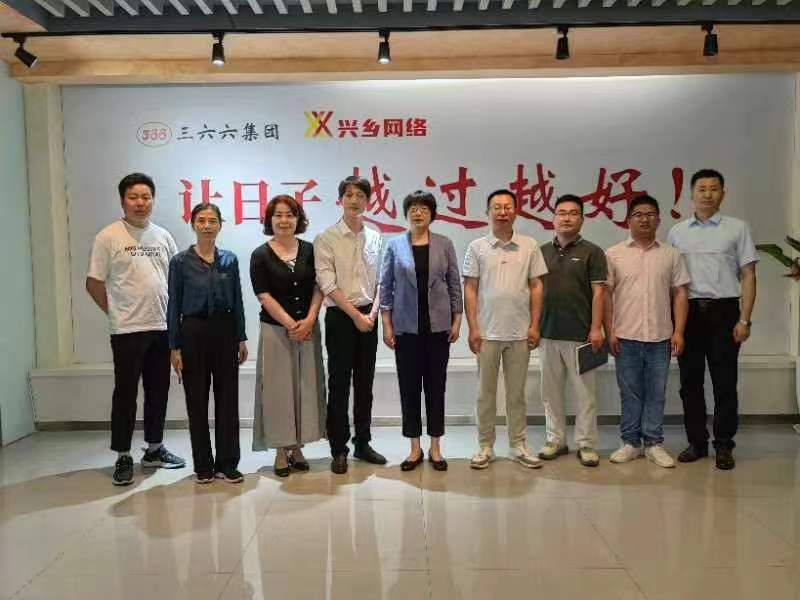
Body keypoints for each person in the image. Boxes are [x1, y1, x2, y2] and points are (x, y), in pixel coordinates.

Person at [86, 172, 185, 486]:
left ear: (153, 200)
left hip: (161, 327)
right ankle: (123, 455)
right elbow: (93, 283)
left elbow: (174, 282)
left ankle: (154, 449)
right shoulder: (108, 236)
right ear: (122, 201)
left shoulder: (163, 236)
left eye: (146, 197)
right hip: (127, 330)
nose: (140, 203)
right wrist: (115, 312)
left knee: (158, 390)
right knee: (126, 394)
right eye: (133, 197)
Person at [667, 169, 758, 470]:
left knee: (725, 383)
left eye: (713, 188)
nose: (707, 194)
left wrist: (744, 320)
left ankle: (724, 445)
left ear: (723, 193)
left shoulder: (737, 228)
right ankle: (696, 442)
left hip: (725, 312)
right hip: (688, 313)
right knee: (689, 383)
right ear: (691, 194)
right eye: (701, 189)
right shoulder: (677, 232)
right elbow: (672, 283)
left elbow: (748, 274)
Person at [463, 189, 548, 470]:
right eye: (496, 207)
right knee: (484, 394)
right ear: (488, 212)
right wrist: (473, 327)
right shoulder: (477, 247)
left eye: (507, 207)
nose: (502, 212)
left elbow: (537, 286)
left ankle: (518, 445)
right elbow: (470, 288)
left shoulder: (529, 245)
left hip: (520, 333)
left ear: (515, 211)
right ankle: (485, 446)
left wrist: (534, 325)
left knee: (516, 395)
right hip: (487, 333)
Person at [380, 191, 463, 472]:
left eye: (424, 209)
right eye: (413, 208)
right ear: (406, 214)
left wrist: (457, 320)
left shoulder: (444, 244)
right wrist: (387, 325)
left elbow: (454, 284)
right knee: (409, 389)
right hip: (405, 330)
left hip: (438, 329)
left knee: (436, 388)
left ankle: (435, 447)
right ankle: (414, 448)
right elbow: (385, 287)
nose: (418, 213)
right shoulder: (395, 245)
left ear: (432, 214)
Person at [604, 195, 690, 468]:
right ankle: (630, 443)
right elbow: (606, 296)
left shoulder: (670, 254)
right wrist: (609, 331)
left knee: (656, 393)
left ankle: (653, 443)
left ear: (658, 219)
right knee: (630, 393)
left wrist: (679, 332)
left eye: (650, 214)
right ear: (628, 220)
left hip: (660, 337)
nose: (644, 219)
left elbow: (680, 294)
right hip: (625, 336)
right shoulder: (613, 254)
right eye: (638, 214)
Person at [167, 203, 248, 484]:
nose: (207, 226)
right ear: (193, 224)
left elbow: (238, 300)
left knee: (228, 399)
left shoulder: (229, 260)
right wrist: (174, 347)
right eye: (201, 220)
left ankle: (227, 463)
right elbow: (173, 304)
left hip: (225, 332)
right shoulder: (180, 262)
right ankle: (203, 465)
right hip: (193, 332)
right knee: (196, 399)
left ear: (220, 225)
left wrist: (241, 337)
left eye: (212, 220)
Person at [250, 195, 326, 477]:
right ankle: (281, 450)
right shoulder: (260, 255)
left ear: (298, 219)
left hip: (308, 329)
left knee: (305, 387)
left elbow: (320, 286)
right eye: (278, 215)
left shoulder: (311, 250)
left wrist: (309, 320)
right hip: (275, 331)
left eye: (290, 215)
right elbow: (263, 294)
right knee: (278, 391)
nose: (284, 220)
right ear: (270, 220)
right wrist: (291, 324)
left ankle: (297, 447)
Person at [314, 176, 386, 474]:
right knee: (340, 384)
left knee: (365, 384)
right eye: (349, 195)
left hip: (369, 316)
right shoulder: (326, 238)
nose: (354, 200)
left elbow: (382, 280)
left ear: (368, 201)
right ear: (340, 199)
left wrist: (372, 314)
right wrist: (356, 316)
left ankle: (363, 442)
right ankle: (338, 448)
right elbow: (327, 284)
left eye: (360, 195)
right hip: (341, 317)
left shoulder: (375, 236)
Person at [538, 194, 607, 468]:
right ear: (553, 218)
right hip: (547, 333)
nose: (566, 218)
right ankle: (555, 440)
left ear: (582, 219)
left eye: (573, 213)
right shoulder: (541, 252)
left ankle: (586, 443)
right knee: (550, 392)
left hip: (582, 335)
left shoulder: (593, 252)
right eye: (561, 213)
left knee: (585, 394)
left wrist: (596, 328)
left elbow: (599, 292)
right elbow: (534, 292)